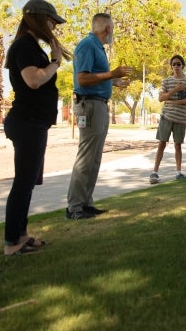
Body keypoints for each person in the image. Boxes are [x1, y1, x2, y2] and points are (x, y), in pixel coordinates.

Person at [3, 0, 72, 254]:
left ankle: (21, 235)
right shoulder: (24, 46)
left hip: (33, 123)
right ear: (38, 19)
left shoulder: (30, 46)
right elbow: (33, 80)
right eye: (52, 21)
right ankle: (12, 242)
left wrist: (52, 58)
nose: (54, 26)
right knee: (23, 182)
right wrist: (54, 62)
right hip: (26, 122)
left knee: (28, 182)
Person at [66, 13, 132, 220]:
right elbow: (82, 79)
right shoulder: (87, 45)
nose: (113, 31)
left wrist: (113, 82)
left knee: (94, 159)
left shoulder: (97, 48)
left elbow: (94, 76)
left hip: (98, 105)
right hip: (90, 105)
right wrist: (112, 74)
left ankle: (86, 203)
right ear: (108, 28)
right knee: (86, 157)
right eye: (112, 27)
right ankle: (74, 208)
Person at [150, 54, 186, 184]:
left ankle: (178, 172)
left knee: (178, 146)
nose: (176, 66)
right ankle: (155, 173)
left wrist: (172, 102)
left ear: (183, 66)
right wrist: (175, 89)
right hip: (166, 117)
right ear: (171, 66)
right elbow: (161, 98)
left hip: (180, 118)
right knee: (161, 144)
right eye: (174, 64)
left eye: (178, 64)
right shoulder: (166, 81)